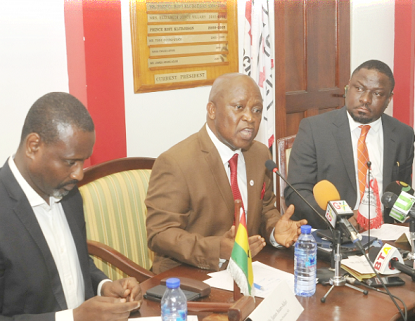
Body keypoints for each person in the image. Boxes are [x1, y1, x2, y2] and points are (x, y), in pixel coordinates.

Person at [145, 73, 307, 273]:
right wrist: (217, 250)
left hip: (249, 270)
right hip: (189, 275)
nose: (250, 118)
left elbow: (265, 208)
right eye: (239, 108)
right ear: (212, 110)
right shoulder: (176, 162)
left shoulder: (259, 154)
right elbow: (160, 234)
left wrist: (275, 230)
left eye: (256, 110)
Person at [0, 92, 142, 321]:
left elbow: (74, 262)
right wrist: (73, 318)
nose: (78, 173)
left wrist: (103, 286)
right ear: (33, 146)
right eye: (70, 162)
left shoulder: (69, 195)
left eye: (83, 161)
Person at [284, 59, 415, 229]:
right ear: (347, 88)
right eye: (359, 89)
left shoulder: (402, 134)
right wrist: (338, 219)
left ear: (389, 98)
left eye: (376, 94)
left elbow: (402, 189)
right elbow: (296, 192)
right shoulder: (315, 129)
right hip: (332, 234)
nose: (365, 99)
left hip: (385, 233)